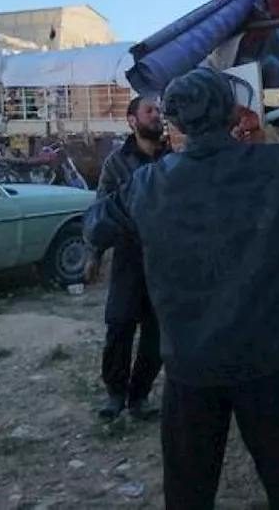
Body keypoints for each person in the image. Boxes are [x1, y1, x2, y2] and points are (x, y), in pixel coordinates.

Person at [85, 68, 279, 510]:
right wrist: (267, 142)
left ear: (175, 123)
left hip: (191, 368)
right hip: (268, 363)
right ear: (233, 113)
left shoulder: (148, 186)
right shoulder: (276, 167)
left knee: (189, 494)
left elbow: (95, 228)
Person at [83, 96, 169, 421]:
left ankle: (140, 396)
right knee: (119, 324)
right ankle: (115, 394)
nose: (157, 115)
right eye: (150, 110)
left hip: (164, 259)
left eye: (158, 110)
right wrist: (94, 254)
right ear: (132, 120)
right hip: (129, 256)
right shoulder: (116, 163)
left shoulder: (173, 158)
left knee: (156, 331)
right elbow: (100, 212)